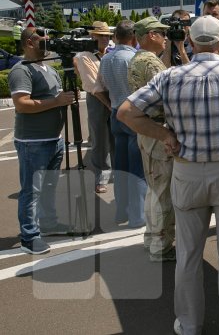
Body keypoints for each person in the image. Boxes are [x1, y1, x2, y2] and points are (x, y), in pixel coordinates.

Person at [118, 15, 219, 335]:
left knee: (188, 255)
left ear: (191, 43)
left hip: (187, 173)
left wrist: (164, 135)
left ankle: (189, 325)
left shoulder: (171, 76)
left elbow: (126, 112)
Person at [10, 27, 75, 254]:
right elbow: (22, 104)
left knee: (48, 186)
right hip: (33, 142)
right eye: (43, 41)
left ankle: (47, 223)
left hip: (53, 139)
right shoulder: (22, 70)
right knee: (31, 191)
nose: (48, 44)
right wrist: (57, 102)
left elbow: (55, 96)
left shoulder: (47, 67)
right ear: (29, 43)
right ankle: (29, 236)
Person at [127, 16, 176, 262]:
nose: (166, 37)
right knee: (163, 190)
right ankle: (161, 245)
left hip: (146, 130)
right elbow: (170, 94)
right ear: (150, 36)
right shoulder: (151, 63)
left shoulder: (138, 59)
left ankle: (152, 237)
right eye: (161, 32)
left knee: (153, 188)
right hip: (158, 129)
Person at [97, 19, 146, 229]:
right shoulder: (134, 58)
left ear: (116, 36)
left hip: (116, 110)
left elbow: (102, 85)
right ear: (134, 37)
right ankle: (137, 215)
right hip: (132, 112)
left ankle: (121, 212)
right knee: (137, 168)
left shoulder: (106, 59)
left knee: (121, 166)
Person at [73, 21, 114, 194]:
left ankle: (119, 173)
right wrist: (111, 107)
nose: (106, 39)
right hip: (98, 99)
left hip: (113, 96)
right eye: (101, 35)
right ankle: (101, 177)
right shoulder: (85, 56)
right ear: (93, 36)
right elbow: (95, 88)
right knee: (99, 139)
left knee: (115, 137)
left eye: (107, 35)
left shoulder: (110, 50)